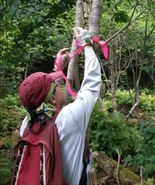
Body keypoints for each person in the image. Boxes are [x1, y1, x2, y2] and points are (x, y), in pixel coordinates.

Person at [17, 27, 101, 185]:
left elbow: (41, 94)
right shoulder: (70, 119)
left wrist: (57, 69)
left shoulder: (27, 124)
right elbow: (92, 84)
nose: (60, 85)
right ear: (53, 100)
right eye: (57, 86)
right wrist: (87, 45)